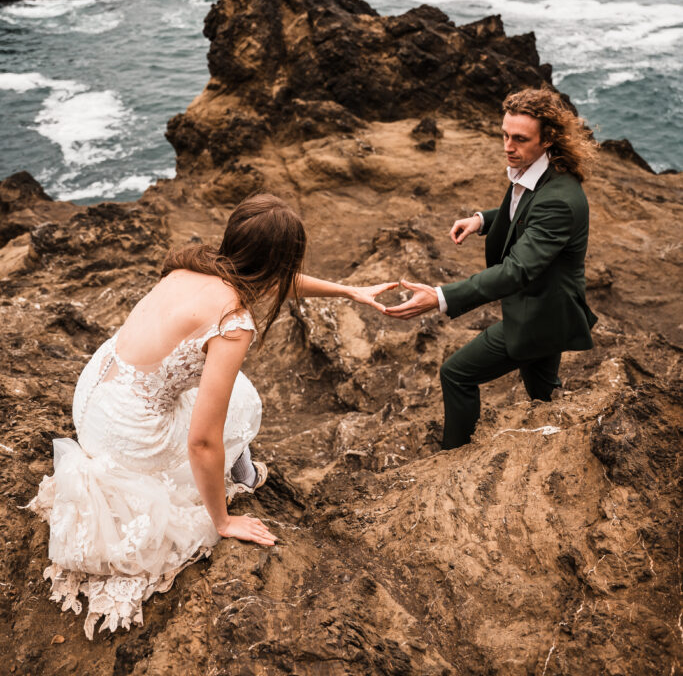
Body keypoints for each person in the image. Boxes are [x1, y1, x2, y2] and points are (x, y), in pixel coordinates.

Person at [29, 193, 395, 638]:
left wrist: (348, 290)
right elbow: (202, 440)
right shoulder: (233, 322)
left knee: (229, 392)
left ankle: (230, 467)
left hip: (95, 392)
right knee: (242, 402)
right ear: (279, 261)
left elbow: (273, 278)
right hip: (128, 431)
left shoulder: (191, 266)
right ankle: (239, 477)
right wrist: (222, 521)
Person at [385, 87, 598, 451]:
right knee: (543, 392)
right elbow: (524, 214)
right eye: (504, 135)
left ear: (548, 139)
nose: (508, 146)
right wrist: (482, 220)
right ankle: (562, 443)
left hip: (540, 316)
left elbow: (516, 270)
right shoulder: (537, 171)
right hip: (548, 311)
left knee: (456, 373)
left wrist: (440, 297)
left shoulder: (559, 199)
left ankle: (454, 455)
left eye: (519, 138)